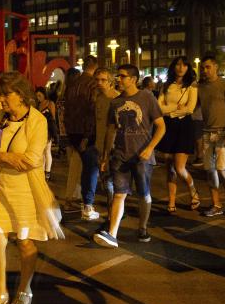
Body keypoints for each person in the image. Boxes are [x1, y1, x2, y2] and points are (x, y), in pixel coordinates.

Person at [0, 71, 64, 304]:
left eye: (5, 94)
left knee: (24, 243)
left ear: (21, 95)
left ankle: (24, 289)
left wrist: (0, 157)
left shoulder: (37, 121)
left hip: (26, 191)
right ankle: (1, 292)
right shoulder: (0, 119)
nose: (0, 100)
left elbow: (32, 160)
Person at [95, 64, 165, 248]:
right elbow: (110, 131)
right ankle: (112, 234)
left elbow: (161, 126)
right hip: (120, 156)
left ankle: (142, 227)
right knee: (119, 194)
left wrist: (150, 148)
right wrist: (105, 156)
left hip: (142, 156)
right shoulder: (115, 103)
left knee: (144, 194)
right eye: (118, 76)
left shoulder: (147, 97)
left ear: (133, 79)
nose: (118, 79)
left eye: (122, 76)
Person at [197, 55, 225, 217]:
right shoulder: (200, 87)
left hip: (223, 132)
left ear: (216, 67)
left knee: (222, 169)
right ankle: (216, 204)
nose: (204, 70)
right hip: (207, 133)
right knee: (209, 170)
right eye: (202, 68)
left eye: (208, 67)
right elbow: (193, 107)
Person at [157, 57, 200, 214]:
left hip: (184, 127)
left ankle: (193, 189)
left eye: (184, 65)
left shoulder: (191, 85)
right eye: (178, 64)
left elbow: (190, 109)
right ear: (173, 67)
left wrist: (170, 109)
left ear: (188, 67)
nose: (181, 67)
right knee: (169, 168)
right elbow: (158, 107)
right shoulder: (166, 85)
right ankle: (172, 201)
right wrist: (176, 107)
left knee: (180, 168)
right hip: (168, 127)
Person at [63, 57, 100, 220]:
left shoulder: (72, 84)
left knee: (77, 165)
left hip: (73, 131)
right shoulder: (93, 84)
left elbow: (66, 108)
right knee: (90, 169)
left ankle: (72, 198)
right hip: (87, 132)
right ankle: (87, 204)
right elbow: (92, 110)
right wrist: (87, 135)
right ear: (95, 67)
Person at [93, 67, 118, 218]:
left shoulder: (116, 99)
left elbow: (113, 128)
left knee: (113, 181)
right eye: (97, 80)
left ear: (110, 81)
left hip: (113, 147)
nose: (99, 83)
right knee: (105, 181)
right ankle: (113, 210)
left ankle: (114, 212)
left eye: (103, 80)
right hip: (99, 144)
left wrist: (107, 152)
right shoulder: (99, 97)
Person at [35, 86, 57, 181]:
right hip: (39, 130)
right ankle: (42, 172)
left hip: (48, 130)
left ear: (44, 94)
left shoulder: (50, 103)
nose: (38, 97)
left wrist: (54, 132)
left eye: (40, 95)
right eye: (37, 96)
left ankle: (47, 172)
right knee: (41, 152)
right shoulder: (38, 105)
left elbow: (53, 118)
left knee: (47, 151)